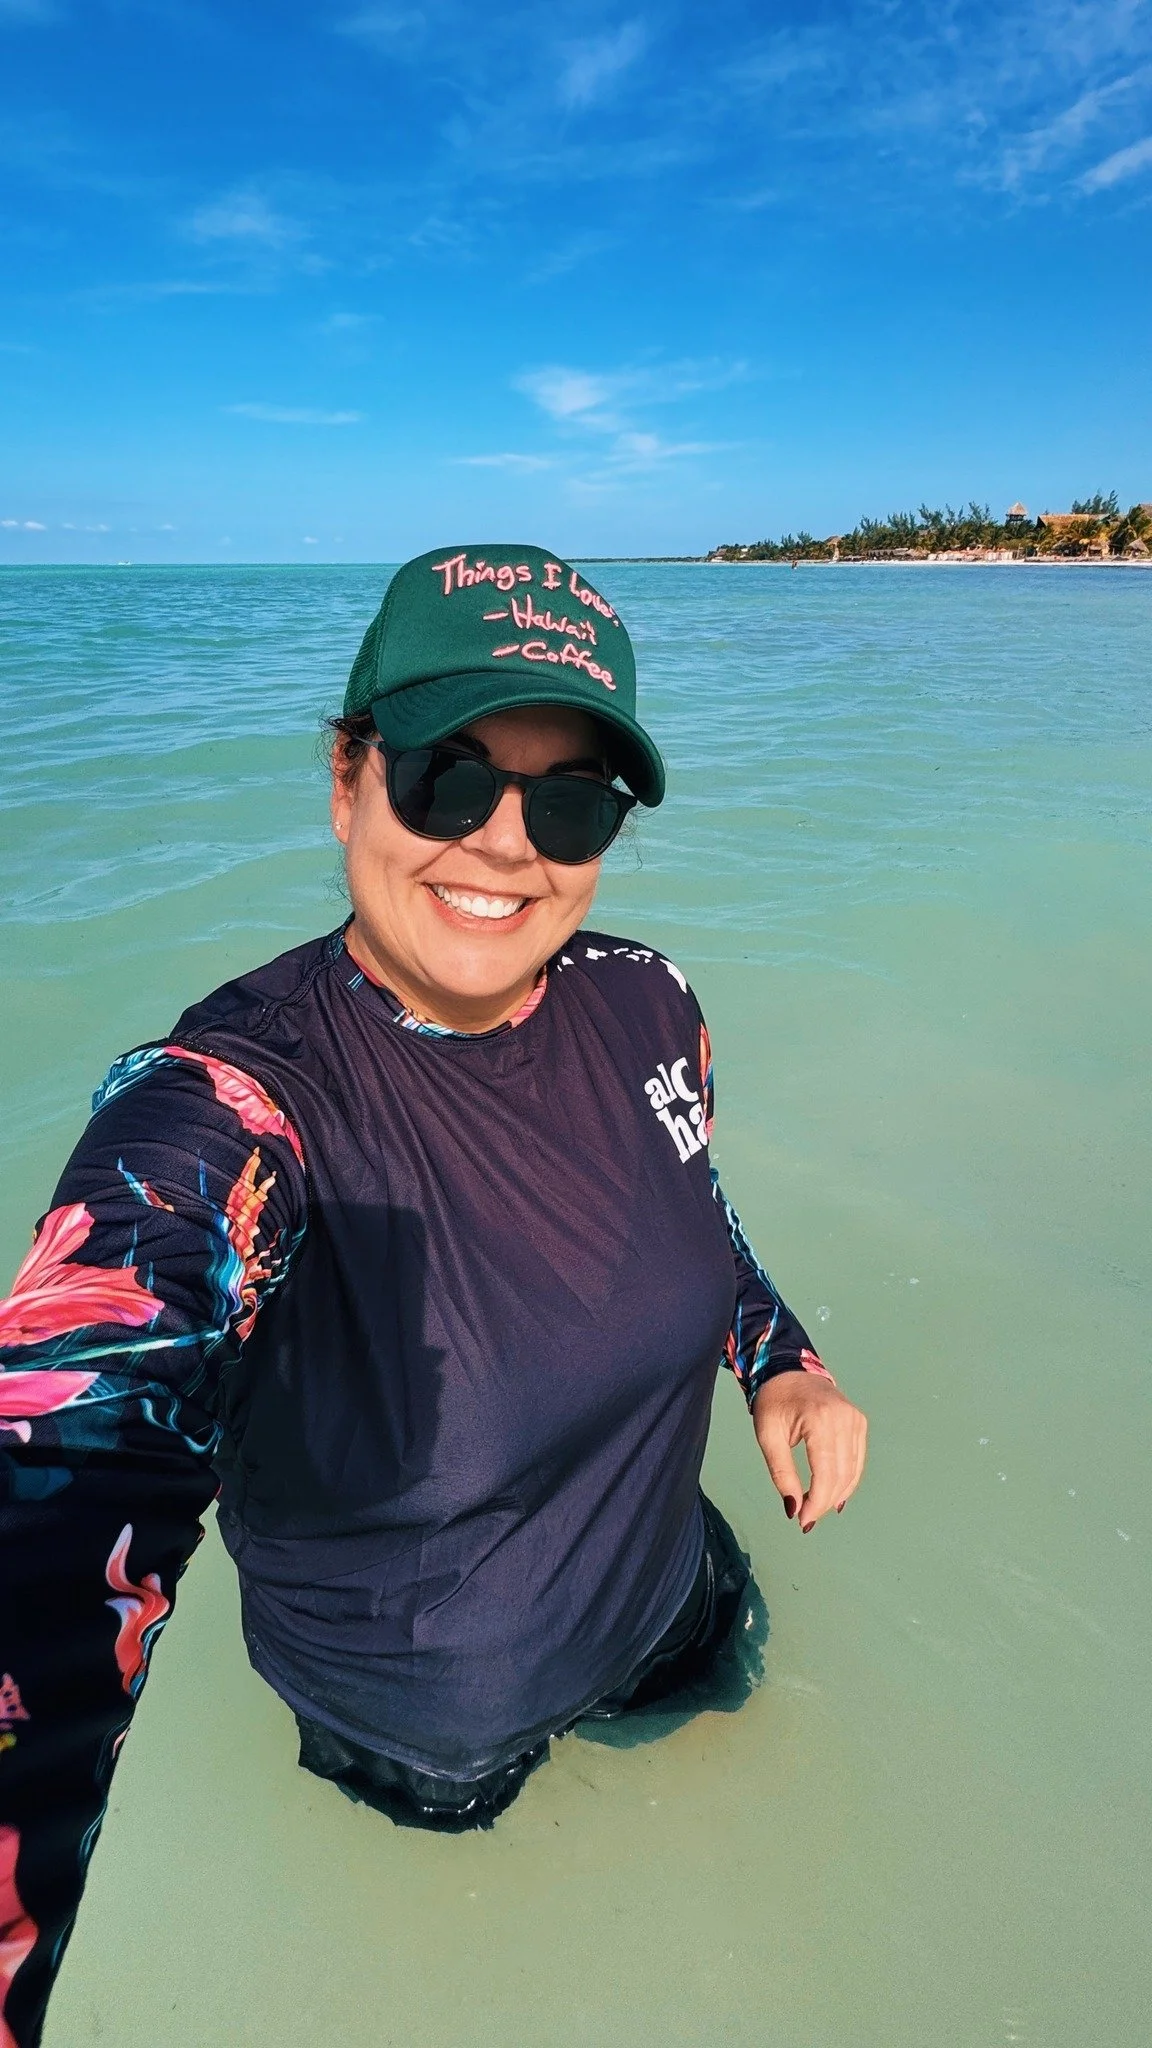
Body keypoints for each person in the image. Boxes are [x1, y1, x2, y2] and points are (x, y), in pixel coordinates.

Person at [0, 544, 867, 2045]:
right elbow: (57, 1477)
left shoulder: (647, 999)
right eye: (448, 778)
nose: (507, 846)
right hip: (432, 1721)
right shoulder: (234, 1116)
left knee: (719, 1710)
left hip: (665, 1593)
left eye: (575, 796)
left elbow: (696, 1208)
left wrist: (779, 1358)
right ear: (348, 779)